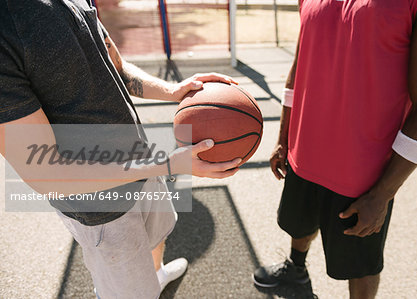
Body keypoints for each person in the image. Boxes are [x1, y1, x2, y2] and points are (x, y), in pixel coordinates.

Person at [0, 0, 240, 298]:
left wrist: (172, 91)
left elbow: (114, 67)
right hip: (100, 204)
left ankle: (156, 277)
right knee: (128, 291)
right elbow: (45, 174)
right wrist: (167, 165)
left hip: (142, 160)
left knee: (157, 236)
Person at [253, 0, 417, 298]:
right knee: (298, 221)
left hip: (362, 171)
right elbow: (303, 58)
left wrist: (382, 194)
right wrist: (284, 136)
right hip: (304, 150)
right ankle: (296, 270)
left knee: (361, 264)